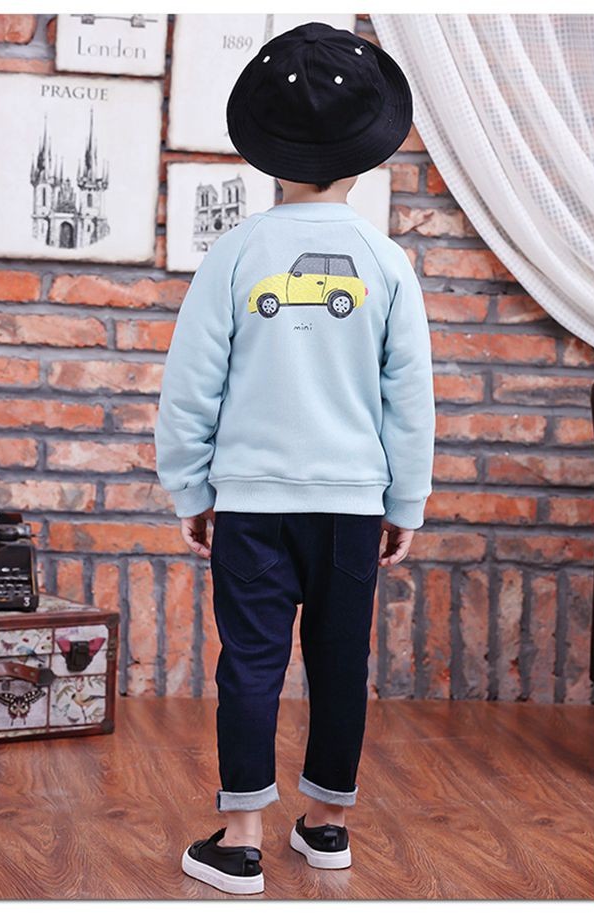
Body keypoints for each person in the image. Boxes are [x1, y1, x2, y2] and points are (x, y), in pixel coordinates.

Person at [154, 20, 435, 895]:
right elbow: (409, 400)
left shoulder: (235, 254)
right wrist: (406, 504)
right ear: (365, 157)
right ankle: (328, 824)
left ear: (267, 152)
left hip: (251, 504)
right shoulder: (386, 262)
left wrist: (190, 488)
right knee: (341, 662)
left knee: (250, 660)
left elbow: (189, 387)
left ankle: (240, 836)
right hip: (353, 506)